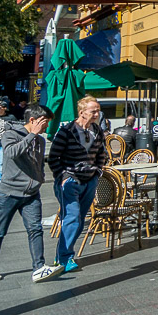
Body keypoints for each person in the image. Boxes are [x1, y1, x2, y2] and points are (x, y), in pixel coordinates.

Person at [0, 104, 62, 283]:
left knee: (35, 229)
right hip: (9, 193)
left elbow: (39, 163)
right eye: (45, 122)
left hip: (31, 193)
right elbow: (12, 153)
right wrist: (32, 135)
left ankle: (39, 267)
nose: (47, 126)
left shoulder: (40, 140)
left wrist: (40, 178)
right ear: (33, 120)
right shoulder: (10, 134)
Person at [48, 95, 111, 273]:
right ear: (82, 112)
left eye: (98, 111)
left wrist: (97, 171)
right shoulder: (66, 131)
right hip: (70, 180)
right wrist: (63, 177)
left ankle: (64, 254)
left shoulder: (97, 130)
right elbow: (53, 157)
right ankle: (64, 258)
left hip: (89, 180)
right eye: (93, 111)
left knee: (80, 219)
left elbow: (101, 153)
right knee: (72, 218)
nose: (97, 114)